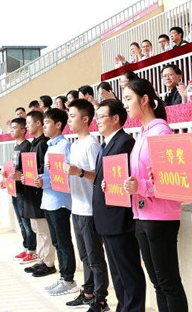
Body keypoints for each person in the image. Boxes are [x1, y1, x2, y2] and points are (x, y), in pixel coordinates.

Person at [122, 78, 188, 312]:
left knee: (168, 282)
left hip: (160, 217)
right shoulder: (142, 133)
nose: (125, 104)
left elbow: (171, 181)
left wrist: (139, 186)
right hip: (142, 215)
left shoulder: (160, 131)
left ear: (144, 100)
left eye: (128, 98)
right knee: (158, 283)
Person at [94, 99, 147, 312]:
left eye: (101, 117)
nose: (97, 121)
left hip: (119, 219)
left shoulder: (124, 142)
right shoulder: (107, 143)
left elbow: (126, 180)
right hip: (107, 219)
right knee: (117, 272)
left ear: (115, 118)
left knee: (128, 271)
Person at [62, 99, 110, 312]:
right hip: (77, 207)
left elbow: (98, 176)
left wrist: (79, 172)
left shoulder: (92, 144)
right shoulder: (74, 145)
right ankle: (88, 291)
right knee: (84, 255)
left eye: (72, 116)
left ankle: (101, 298)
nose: (69, 120)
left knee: (95, 257)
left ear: (85, 119)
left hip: (90, 209)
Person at [36, 108, 78, 296]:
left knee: (63, 241)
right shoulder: (51, 146)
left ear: (58, 125)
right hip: (49, 200)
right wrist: (41, 179)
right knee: (56, 241)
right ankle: (63, 277)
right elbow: (50, 174)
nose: (44, 126)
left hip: (60, 201)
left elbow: (64, 175)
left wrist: (45, 181)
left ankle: (69, 279)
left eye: (47, 123)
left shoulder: (64, 146)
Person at [22, 110, 58, 279]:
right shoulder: (34, 143)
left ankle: (48, 263)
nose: (27, 126)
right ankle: (41, 259)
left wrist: (33, 176)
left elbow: (44, 170)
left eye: (29, 123)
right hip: (31, 191)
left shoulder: (43, 144)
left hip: (39, 193)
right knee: (37, 228)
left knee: (43, 230)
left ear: (38, 123)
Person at [5, 117, 37, 263]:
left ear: (23, 130)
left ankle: (32, 250)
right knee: (20, 221)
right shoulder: (16, 147)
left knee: (26, 222)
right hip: (15, 189)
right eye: (11, 128)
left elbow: (29, 169)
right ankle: (26, 247)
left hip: (24, 190)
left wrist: (20, 175)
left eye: (15, 128)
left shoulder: (27, 146)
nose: (11, 130)